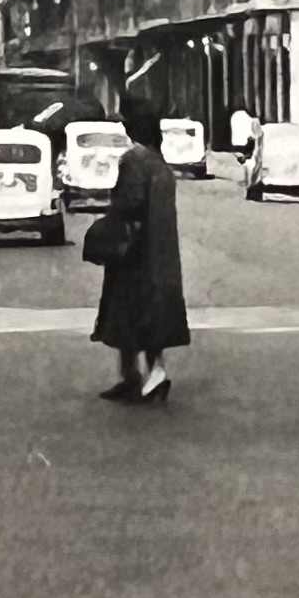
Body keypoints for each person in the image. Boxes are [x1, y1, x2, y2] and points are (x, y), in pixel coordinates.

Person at [89, 107, 192, 403]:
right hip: (159, 254)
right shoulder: (161, 165)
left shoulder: (134, 160)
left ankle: (133, 376)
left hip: (135, 253)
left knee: (127, 313)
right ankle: (153, 372)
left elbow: (130, 205)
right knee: (150, 317)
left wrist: (108, 230)